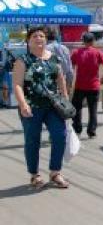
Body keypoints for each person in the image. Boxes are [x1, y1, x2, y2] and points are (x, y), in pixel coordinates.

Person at [12, 26, 70, 188]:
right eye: (35, 36)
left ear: (46, 40)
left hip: (53, 106)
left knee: (60, 136)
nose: (39, 39)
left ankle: (55, 172)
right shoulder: (23, 60)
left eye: (42, 36)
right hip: (31, 107)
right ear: (28, 41)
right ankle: (34, 175)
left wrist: (65, 100)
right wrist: (23, 104)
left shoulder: (54, 59)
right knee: (32, 141)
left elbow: (61, 80)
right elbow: (17, 84)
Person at [71, 32, 103, 139]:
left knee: (77, 108)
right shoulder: (98, 53)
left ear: (83, 41)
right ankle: (91, 132)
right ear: (93, 41)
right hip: (94, 85)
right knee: (93, 109)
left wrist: (71, 82)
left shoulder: (76, 52)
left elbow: (72, 68)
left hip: (80, 85)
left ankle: (77, 129)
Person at [45, 29, 74, 95]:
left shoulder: (44, 49)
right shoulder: (64, 48)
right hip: (62, 83)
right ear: (56, 36)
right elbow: (69, 69)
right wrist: (69, 85)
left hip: (48, 84)